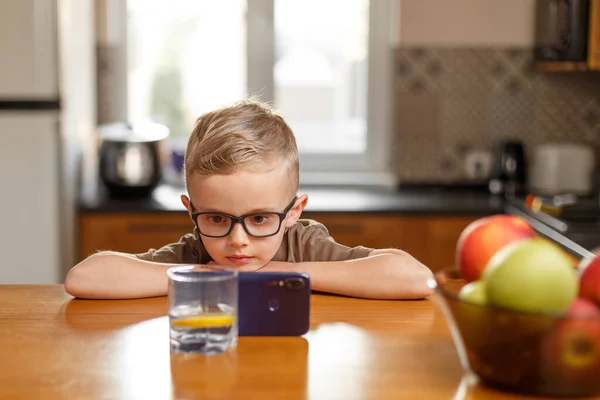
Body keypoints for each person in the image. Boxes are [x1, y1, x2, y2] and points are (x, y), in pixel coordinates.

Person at [65, 100, 434, 300]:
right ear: (191, 211)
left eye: (259, 219)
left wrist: (290, 272)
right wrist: (202, 277)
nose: (237, 240)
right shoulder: (196, 254)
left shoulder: (302, 244)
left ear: (293, 212)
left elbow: (415, 279)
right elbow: (84, 278)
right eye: (216, 219)